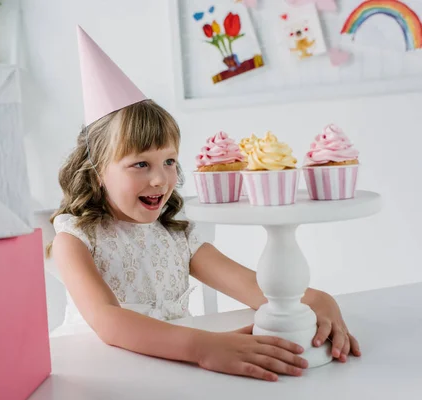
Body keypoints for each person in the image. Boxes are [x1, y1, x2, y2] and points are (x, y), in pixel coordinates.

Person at [47, 26, 360, 382]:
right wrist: (204, 346)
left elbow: (259, 288)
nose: (161, 179)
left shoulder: (177, 236)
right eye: (140, 164)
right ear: (98, 171)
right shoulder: (74, 240)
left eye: (168, 161)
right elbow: (108, 322)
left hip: (170, 375)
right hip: (94, 377)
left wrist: (315, 299)